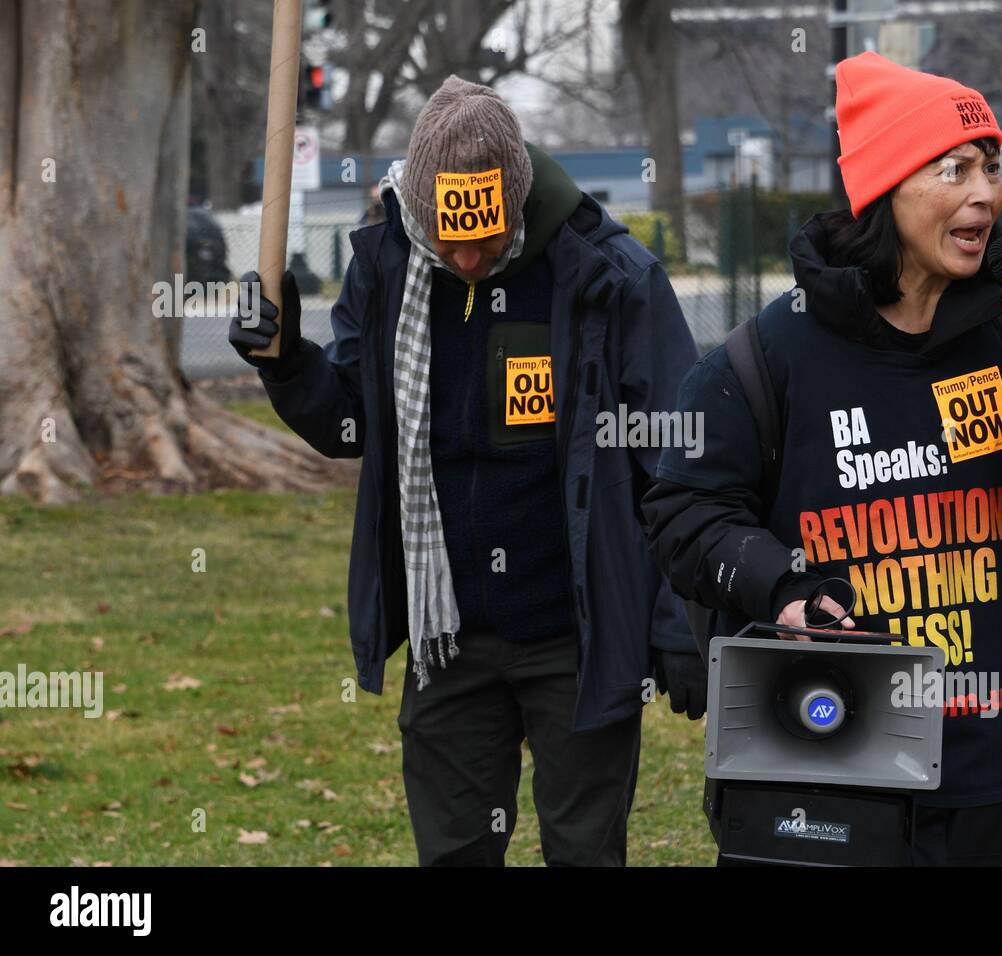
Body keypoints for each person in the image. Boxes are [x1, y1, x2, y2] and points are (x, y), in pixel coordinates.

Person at [642, 51, 1002, 866]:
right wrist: (783, 587)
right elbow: (679, 509)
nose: (985, 193)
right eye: (955, 170)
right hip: (815, 769)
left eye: (990, 168)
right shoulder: (771, 354)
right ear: (885, 189)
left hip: (979, 774)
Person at [229, 75, 705, 866]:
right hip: (447, 639)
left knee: (587, 853)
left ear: (518, 203)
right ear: (417, 206)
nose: (466, 256)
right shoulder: (386, 267)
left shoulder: (609, 275)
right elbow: (352, 420)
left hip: (577, 640)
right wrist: (285, 364)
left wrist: (676, 626)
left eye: (486, 238)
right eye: (446, 236)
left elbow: (680, 458)